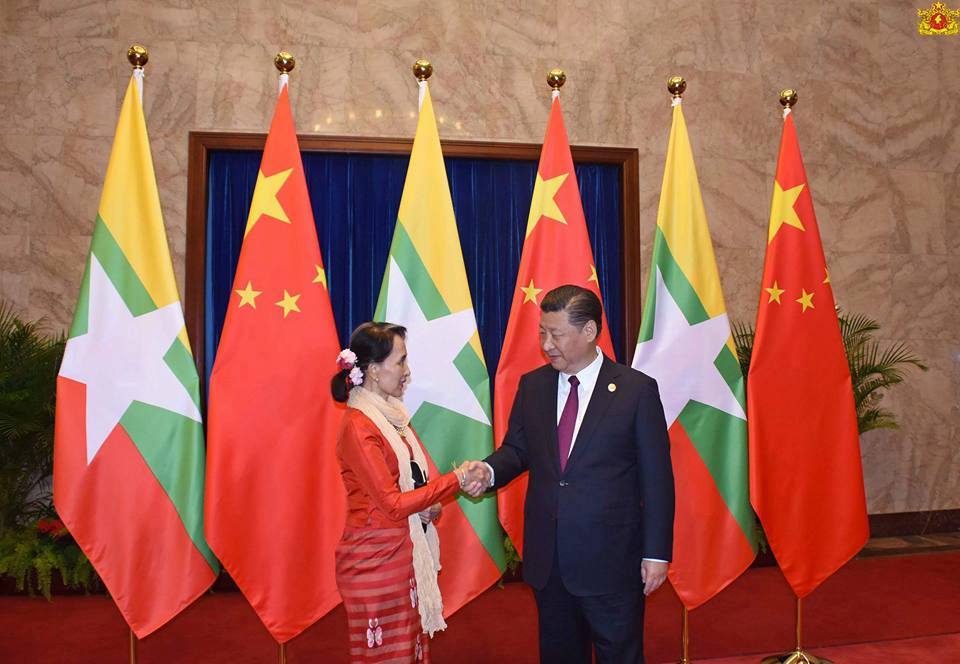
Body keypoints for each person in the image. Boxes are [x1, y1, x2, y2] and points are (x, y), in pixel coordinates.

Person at [464, 285, 675, 664]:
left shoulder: (635, 390)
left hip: (612, 561)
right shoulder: (533, 386)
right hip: (550, 560)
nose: (547, 344)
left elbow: (657, 479)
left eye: (556, 334)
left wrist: (656, 553)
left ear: (590, 331)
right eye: (542, 332)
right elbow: (518, 450)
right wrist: (489, 469)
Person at [331, 321, 475, 663]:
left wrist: (427, 505)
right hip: (375, 562)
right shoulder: (359, 426)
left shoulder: (393, 418)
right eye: (401, 361)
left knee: (409, 651)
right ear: (373, 370)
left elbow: (409, 487)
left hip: (403, 554)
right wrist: (456, 479)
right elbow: (393, 504)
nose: (407, 372)